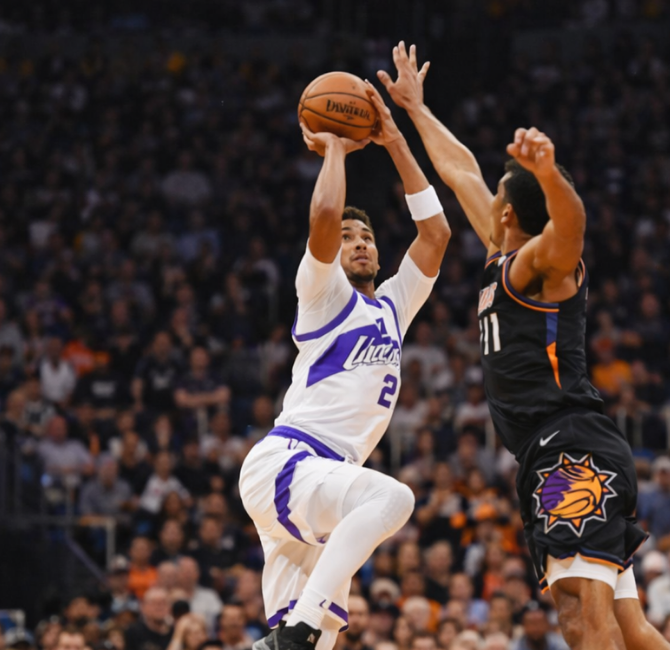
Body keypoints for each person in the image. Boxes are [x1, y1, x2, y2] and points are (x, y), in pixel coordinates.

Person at [380, 42, 670, 650]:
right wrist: (415, 109)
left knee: (583, 619)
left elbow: (573, 230)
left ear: (507, 211)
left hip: (570, 446)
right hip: (552, 450)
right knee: (625, 626)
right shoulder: (500, 249)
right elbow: (458, 168)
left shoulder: (540, 264)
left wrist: (548, 173)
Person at [240, 66, 449, 650]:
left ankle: (296, 632)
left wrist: (394, 140)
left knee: (320, 645)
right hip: (293, 461)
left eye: (369, 238)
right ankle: (297, 630)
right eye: (352, 237)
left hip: (325, 483)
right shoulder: (323, 292)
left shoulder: (392, 307)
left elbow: (434, 236)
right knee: (392, 497)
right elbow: (325, 221)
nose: (360, 242)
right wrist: (334, 148)